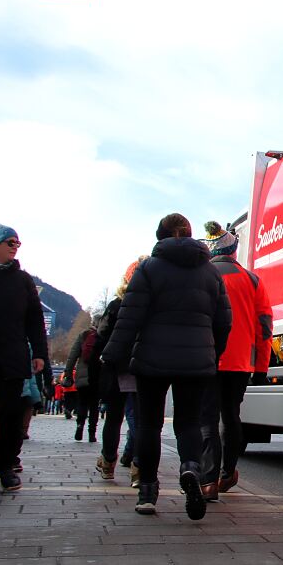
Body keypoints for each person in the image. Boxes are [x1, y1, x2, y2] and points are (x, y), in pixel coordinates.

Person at [102, 214, 232, 520]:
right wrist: (212, 352)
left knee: (149, 424)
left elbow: (129, 317)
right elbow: (224, 321)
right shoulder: (211, 273)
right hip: (196, 360)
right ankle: (190, 469)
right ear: (189, 235)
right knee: (188, 423)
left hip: (151, 359)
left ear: (160, 236)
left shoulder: (148, 268)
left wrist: (112, 354)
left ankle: (147, 490)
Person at [199, 222, 271, 500]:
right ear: (233, 250)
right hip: (239, 363)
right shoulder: (252, 280)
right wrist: (262, 367)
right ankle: (227, 473)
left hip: (206, 360)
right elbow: (263, 326)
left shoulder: (201, 276)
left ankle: (208, 481)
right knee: (230, 418)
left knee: (207, 419)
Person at [0, 222, 49, 491]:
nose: (15, 248)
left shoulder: (22, 280)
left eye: (17, 244)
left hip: (13, 355)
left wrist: (39, 354)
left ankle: (4, 464)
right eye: (10, 243)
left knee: (11, 412)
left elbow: (35, 320)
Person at [95, 258, 144, 485]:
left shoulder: (117, 304)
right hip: (144, 367)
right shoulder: (152, 305)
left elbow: (102, 335)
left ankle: (108, 463)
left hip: (118, 367)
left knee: (114, 418)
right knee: (142, 419)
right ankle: (138, 468)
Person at [63, 321, 101, 443]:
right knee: (94, 405)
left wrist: (68, 374)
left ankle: (80, 426)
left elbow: (72, 356)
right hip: (97, 376)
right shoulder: (104, 335)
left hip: (82, 376)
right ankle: (92, 433)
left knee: (83, 402)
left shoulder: (84, 335)